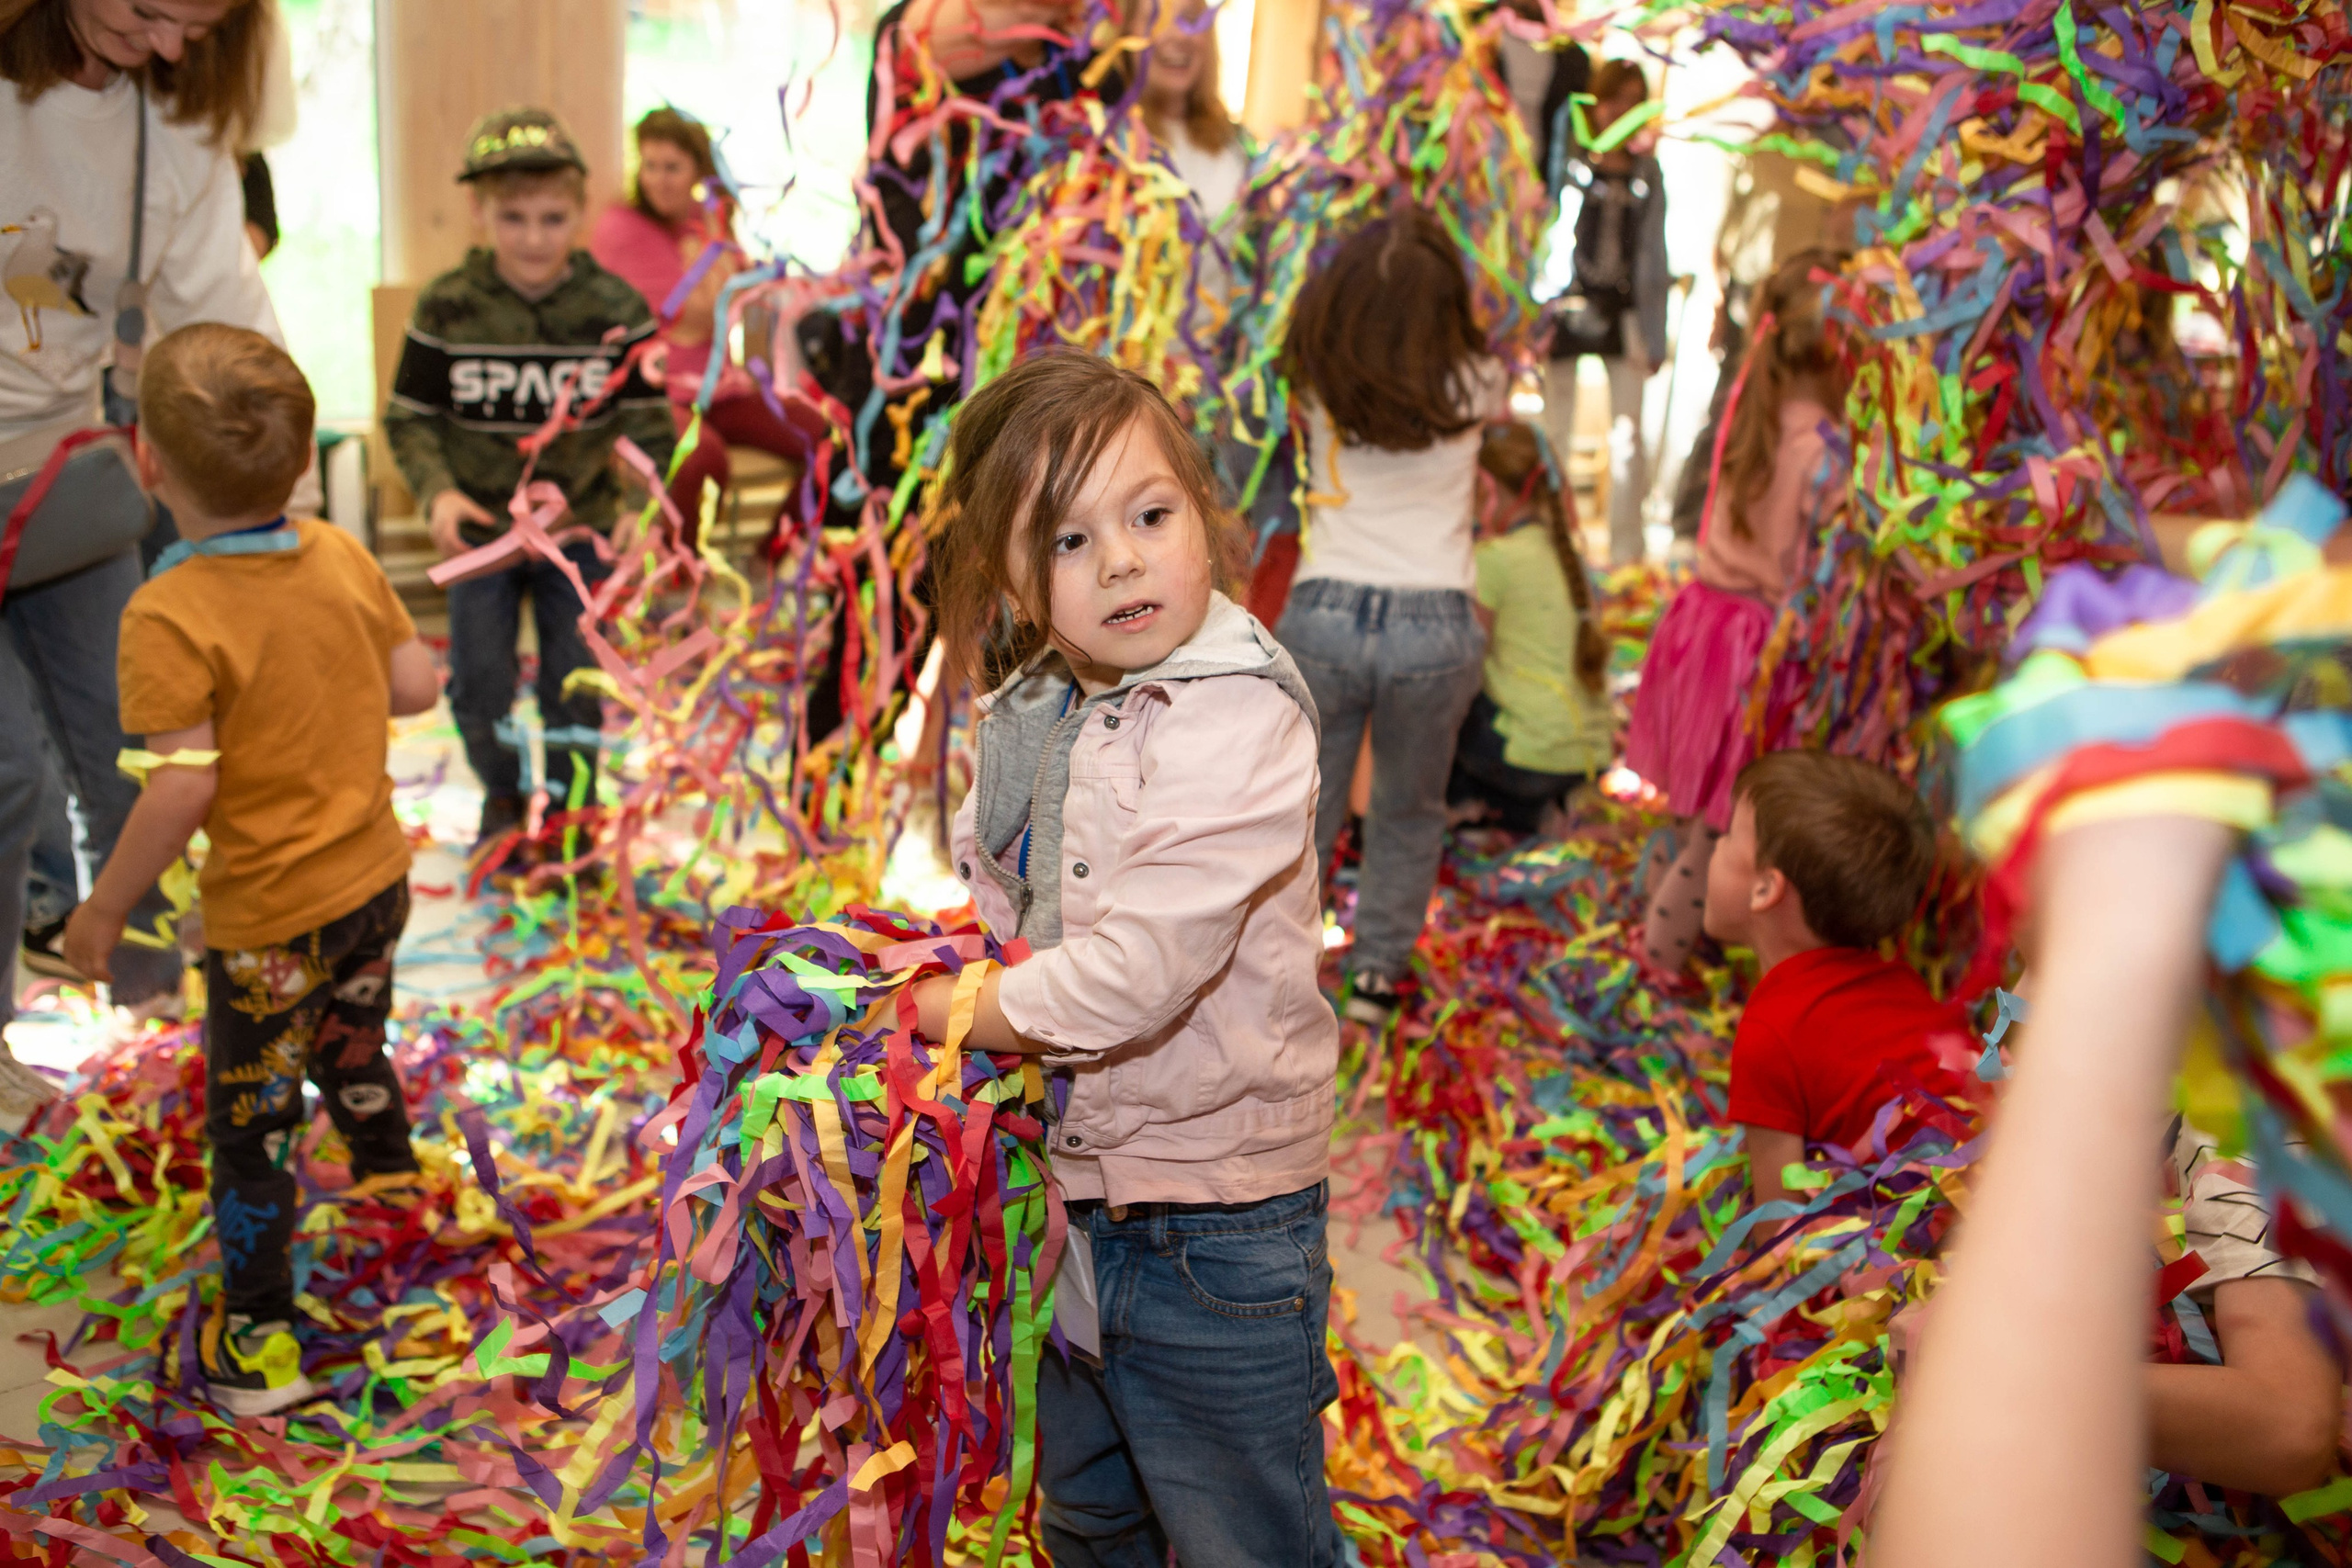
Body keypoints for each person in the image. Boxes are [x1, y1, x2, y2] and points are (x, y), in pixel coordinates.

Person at [901, 351, 1343, 1567]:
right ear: (1008, 573)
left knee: (1243, 1533)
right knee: (1091, 1516)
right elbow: (1019, 896)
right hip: (1076, 1196)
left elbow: (1139, 973)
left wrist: (948, 1011)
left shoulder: (1237, 717)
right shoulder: (1046, 698)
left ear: (1206, 511)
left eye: (1150, 516)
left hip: (1220, 1223)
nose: (1123, 561)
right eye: (1067, 542)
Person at [58, 323, 439, 1416]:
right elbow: (413, 686)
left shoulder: (165, 613)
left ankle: (261, 1339)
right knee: (356, 1035)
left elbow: (182, 788)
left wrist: (101, 910)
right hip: (376, 880)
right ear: (304, 459)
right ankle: (389, 1184)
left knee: (253, 1124)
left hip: (271, 927)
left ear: (147, 462)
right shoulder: (342, 551)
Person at [1, 0, 315, 1059]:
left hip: (62, 482)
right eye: (147, 8)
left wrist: (288, 532)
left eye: (205, 21)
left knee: (134, 742)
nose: (177, 46)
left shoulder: (174, 122)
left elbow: (223, 322)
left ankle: (153, 1018)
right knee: (9, 776)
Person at [384, 107, 676, 853]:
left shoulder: (615, 309)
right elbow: (409, 417)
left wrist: (641, 510)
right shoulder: (447, 304)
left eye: (553, 218)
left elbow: (650, 426)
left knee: (574, 680)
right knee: (479, 682)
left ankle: (576, 814)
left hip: (580, 530)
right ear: (481, 213)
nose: (534, 237)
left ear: (580, 213)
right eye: (513, 218)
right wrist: (437, 492)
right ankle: (506, 801)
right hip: (481, 530)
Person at [1275, 209, 1508, 1024]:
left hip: (1324, 611)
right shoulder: (1479, 382)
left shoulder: (1316, 381)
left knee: (1304, 808)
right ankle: (1375, 977)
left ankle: (1279, 967)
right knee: (1410, 808)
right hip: (1435, 625)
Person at [1629, 248, 1849, 977]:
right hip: (1751, 647)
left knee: (1688, 806)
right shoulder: (1824, 449)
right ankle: (1662, 957)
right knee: (1719, 825)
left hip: (1700, 621)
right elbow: (1818, 568)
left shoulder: (1751, 409)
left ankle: (1648, 922)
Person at [1701, 751, 1965, 1203]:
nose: (1715, 847)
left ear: (1765, 889)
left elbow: (1780, 1225)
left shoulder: (1772, 1031)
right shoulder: (1902, 982)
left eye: (1728, 838)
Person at [588, 107, 824, 551]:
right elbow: (699, 313)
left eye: (672, 167)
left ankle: (772, 557)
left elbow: (745, 299)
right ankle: (680, 576)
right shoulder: (622, 228)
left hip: (719, 389)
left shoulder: (709, 222)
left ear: (699, 171)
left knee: (823, 438)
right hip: (653, 394)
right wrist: (724, 276)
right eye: (650, 165)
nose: (658, 179)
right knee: (699, 457)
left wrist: (725, 263)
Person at [1446, 422, 1611, 834]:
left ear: (1487, 490)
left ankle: (1490, 809)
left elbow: (1464, 667)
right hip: (1591, 754)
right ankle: (1545, 807)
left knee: (1437, 692)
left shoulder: (1495, 558)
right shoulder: (1567, 555)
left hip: (1529, 759)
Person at [1542, 57, 1668, 567]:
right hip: (1567, 305)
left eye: (1634, 101)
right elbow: (1547, 224)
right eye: (1616, 98)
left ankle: (1625, 555)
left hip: (1625, 313)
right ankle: (1553, 546)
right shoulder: (1570, 155)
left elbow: (1655, 253)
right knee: (1556, 430)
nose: (1623, 110)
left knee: (1628, 438)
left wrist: (1655, 337)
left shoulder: (1647, 171)